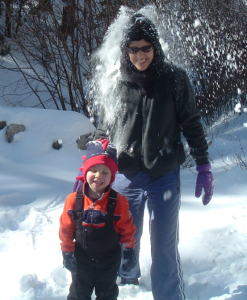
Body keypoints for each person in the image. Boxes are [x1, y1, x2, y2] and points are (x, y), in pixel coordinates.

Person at [86, 12, 215, 300]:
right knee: (123, 243)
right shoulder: (117, 82)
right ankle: (127, 282)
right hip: (126, 178)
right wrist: (92, 166)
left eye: (146, 48)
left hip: (164, 177)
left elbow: (191, 123)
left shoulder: (174, 80)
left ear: (155, 47)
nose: (140, 55)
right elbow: (104, 129)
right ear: (126, 50)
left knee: (164, 249)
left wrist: (204, 164)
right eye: (134, 48)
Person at [59, 138, 136, 300]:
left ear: (112, 177)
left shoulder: (119, 201)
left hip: (109, 260)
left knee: (107, 294)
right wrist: (67, 251)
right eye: (93, 170)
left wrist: (129, 251)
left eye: (105, 172)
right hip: (82, 259)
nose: (98, 176)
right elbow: (66, 229)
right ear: (85, 172)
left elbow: (127, 229)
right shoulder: (73, 200)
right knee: (78, 294)